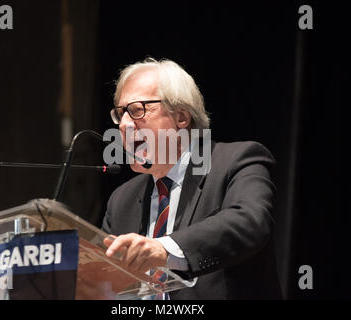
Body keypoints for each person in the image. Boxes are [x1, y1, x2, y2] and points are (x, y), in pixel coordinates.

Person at [102, 57, 282, 299]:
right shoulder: (122, 199)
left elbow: (250, 221)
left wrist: (164, 249)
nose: (124, 125)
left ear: (181, 117)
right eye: (120, 114)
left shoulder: (237, 162)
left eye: (137, 110)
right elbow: (107, 285)